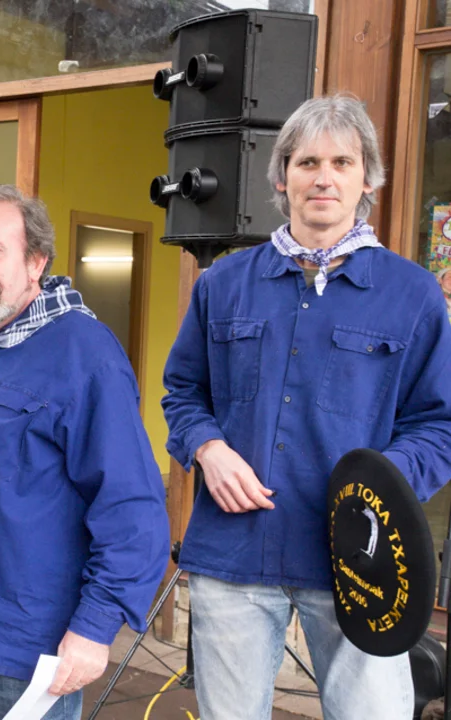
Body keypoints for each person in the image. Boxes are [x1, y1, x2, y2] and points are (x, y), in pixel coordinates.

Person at [162, 95, 451, 720]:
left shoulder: (413, 295)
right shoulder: (222, 285)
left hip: (361, 564)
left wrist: (379, 488)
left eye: (342, 162)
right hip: (236, 554)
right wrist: (207, 449)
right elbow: (182, 392)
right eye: (307, 162)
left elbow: (438, 425)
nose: (324, 177)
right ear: (281, 177)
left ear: (367, 179)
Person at [0, 185, 170, 720]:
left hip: (25, 646)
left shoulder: (85, 353)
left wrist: (95, 628)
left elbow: (131, 508)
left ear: (37, 261)